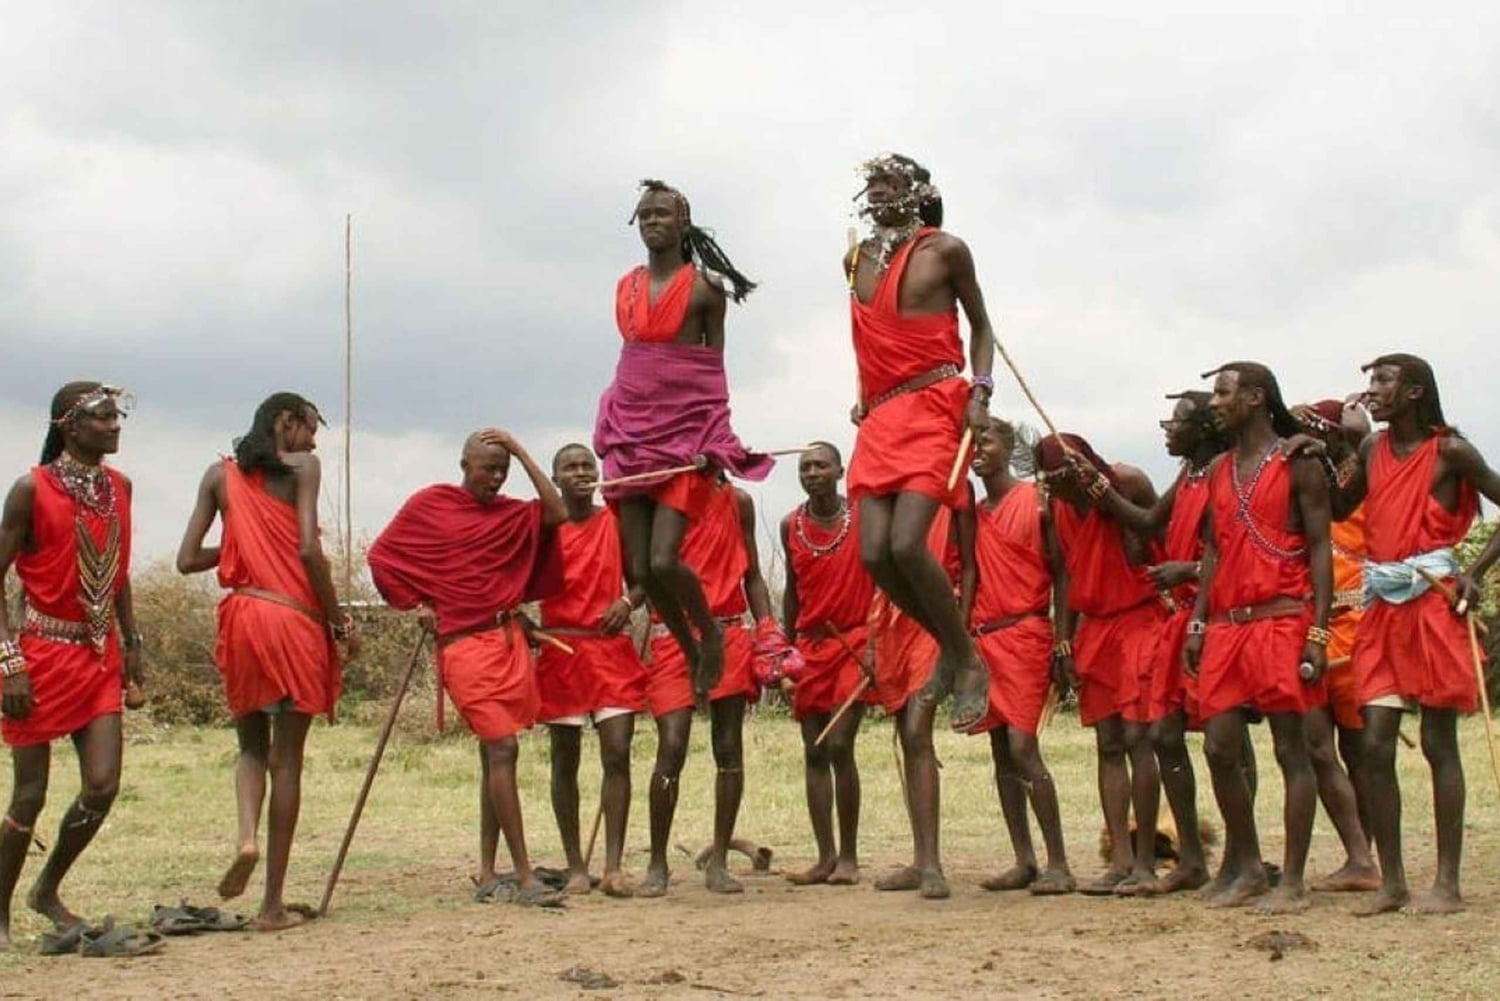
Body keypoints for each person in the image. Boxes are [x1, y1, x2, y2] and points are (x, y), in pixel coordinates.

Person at [1326, 354, 1500, 915]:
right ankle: (1393, 883)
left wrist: (1474, 573)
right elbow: (1336, 506)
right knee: (1374, 743)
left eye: (1383, 381)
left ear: (1415, 392)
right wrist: (1339, 450)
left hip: (1432, 603)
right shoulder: (1373, 449)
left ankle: (1447, 883)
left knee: (1437, 743)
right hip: (1382, 609)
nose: (1370, 391)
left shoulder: (1451, 451)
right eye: (1369, 381)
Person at [176, 392, 356, 930]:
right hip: (291, 618)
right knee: (288, 760)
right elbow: (307, 549)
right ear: (286, 421)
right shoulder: (304, 468)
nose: (315, 440)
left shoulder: (217, 475)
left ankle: (246, 836)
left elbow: (188, 560)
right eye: (310, 427)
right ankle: (272, 904)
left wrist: (239, 546)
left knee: (250, 747)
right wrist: (339, 621)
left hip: (241, 617)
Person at [367, 430, 565, 906]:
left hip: (506, 641)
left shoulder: (511, 512)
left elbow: (557, 513)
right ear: (464, 463)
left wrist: (520, 450)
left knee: (493, 756)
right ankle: (523, 876)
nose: (495, 479)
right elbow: (382, 556)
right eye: (487, 468)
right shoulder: (431, 504)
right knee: (503, 748)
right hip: (462, 647)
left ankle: (485, 871)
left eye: (503, 470)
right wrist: (416, 603)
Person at [593, 180, 773, 702]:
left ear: (683, 223)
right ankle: (690, 649)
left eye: (662, 214)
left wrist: (715, 440)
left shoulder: (705, 289)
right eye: (644, 215)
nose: (652, 222)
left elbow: (711, 372)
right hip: (630, 431)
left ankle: (711, 637)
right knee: (643, 567)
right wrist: (610, 415)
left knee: (668, 559)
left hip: (683, 436)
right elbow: (632, 362)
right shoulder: (625, 285)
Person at [845, 153, 997, 732]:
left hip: (935, 401)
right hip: (882, 415)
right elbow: (864, 339)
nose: (878, 191)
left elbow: (982, 326)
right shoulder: (856, 258)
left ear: (915, 191)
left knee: (909, 544)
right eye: (872, 183)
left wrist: (980, 392)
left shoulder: (946, 250)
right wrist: (863, 394)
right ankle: (954, 649)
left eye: (889, 182)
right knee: (874, 554)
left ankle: (967, 661)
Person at [1183, 362, 1332, 915]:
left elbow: (1320, 547)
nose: (1213, 403)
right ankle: (1246, 867)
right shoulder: (1220, 467)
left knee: (1292, 750)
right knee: (1220, 746)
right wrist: (1198, 622)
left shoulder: (1300, 462)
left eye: (1222, 393)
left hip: (1282, 618)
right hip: (1227, 624)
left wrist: (1318, 631)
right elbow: (1213, 552)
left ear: (1254, 397)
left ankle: (1292, 880)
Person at [1, 383, 141, 949]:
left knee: (102, 786)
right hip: (37, 654)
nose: (114, 426)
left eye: (117, 416)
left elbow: (117, 569)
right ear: (68, 425)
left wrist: (134, 643)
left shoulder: (119, 488)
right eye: (103, 417)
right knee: (29, 795)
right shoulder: (30, 490)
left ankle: (47, 889)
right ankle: (1, 911)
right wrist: (8, 661)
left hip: (98, 654)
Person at [1090, 391, 1231, 895]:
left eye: (1177, 422)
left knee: (1225, 742)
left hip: (1217, 615)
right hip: (1181, 617)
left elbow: (1239, 547)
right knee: (1166, 738)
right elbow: (1150, 522)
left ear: (1204, 429)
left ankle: (1241, 859)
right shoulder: (1190, 474)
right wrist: (1099, 491)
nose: (1167, 430)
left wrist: (1190, 569)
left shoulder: (1223, 471)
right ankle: (1191, 857)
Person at [640, 477, 783, 897]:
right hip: (672, 635)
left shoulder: (737, 501)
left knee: (728, 746)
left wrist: (769, 631)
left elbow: (753, 576)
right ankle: (657, 863)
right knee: (672, 746)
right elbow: (647, 570)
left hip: (729, 634)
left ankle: (719, 860)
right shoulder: (661, 501)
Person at [1035, 433, 1165, 896]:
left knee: (1140, 738)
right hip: (1095, 629)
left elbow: (1154, 533)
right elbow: (1064, 574)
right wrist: (1064, 641)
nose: (1057, 491)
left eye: (1063, 480)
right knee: (1109, 743)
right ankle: (1121, 860)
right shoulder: (1056, 508)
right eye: (1050, 484)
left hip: (1141, 621)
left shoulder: (1127, 481)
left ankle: (1148, 863)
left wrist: (1105, 496)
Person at [967, 418, 1074, 895]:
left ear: (1009, 447)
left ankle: (1059, 863)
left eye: (986, 440)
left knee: (1022, 749)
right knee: (1000, 754)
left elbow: (1063, 574)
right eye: (970, 441)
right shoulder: (972, 511)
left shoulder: (1037, 502)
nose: (976, 448)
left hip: (1027, 632)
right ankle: (1024, 859)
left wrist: (1064, 640)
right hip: (984, 638)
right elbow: (969, 573)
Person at [535, 444, 648, 898]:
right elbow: (513, 579)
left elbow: (643, 580)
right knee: (565, 758)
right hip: (561, 649)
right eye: (571, 467)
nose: (581, 473)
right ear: (556, 477)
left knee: (617, 753)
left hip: (610, 650)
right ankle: (576, 865)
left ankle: (614, 865)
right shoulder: (544, 529)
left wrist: (626, 601)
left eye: (587, 466)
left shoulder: (615, 522)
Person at [1286, 398, 1380, 893]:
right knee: (1316, 746)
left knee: (1361, 749)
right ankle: (1358, 854)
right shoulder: (1302, 480)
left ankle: (1366, 855)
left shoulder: (1365, 475)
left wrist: (1358, 431)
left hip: (1359, 625)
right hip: (1309, 623)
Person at [867, 494, 975, 900]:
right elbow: (873, 566)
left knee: (917, 730)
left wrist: (957, 639)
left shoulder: (949, 484)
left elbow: (969, 566)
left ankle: (931, 864)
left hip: (934, 618)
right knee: (906, 733)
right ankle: (921, 859)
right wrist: (872, 640)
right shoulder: (879, 489)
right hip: (891, 620)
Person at [780, 442, 875, 886]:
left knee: (840, 744)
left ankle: (851, 857)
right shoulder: (790, 525)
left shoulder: (862, 516)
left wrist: (876, 642)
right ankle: (824, 857)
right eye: (805, 467)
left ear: (840, 471)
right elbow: (794, 594)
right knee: (814, 749)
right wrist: (784, 653)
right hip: (811, 647)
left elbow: (882, 579)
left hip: (855, 641)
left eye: (821, 465)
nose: (813, 472)